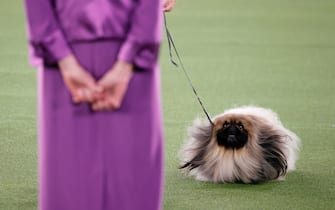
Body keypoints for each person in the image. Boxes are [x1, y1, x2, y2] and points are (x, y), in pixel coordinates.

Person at [24, 0, 176, 209]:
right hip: (129, 56)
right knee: (131, 181)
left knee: (69, 177)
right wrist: (128, 60)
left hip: (67, 55)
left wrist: (62, 57)